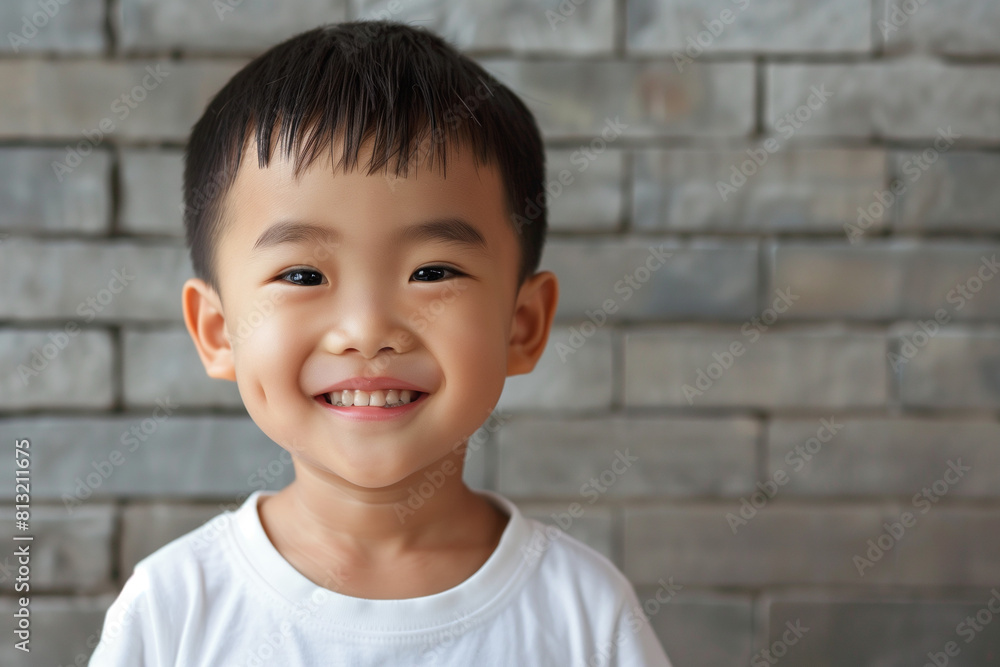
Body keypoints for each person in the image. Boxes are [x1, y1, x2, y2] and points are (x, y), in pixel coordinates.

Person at [89, 20, 672, 666]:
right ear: (218, 332)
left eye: (432, 272)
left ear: (522, 324)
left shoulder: (585, 615)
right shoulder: (174, 608)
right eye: (303, 275)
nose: (367, 329)